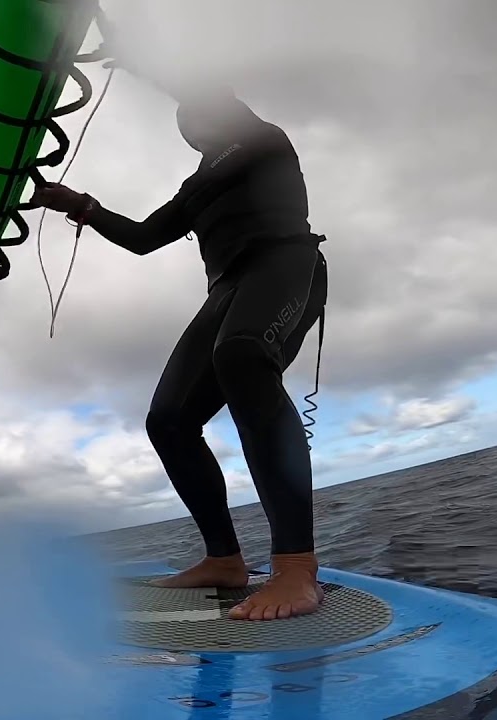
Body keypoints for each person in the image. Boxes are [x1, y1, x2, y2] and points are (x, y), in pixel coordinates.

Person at [30, 54, 328, 621]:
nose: (193, 114)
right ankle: (224, 559)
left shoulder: (262, 139)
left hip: (286, 264)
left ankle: (295, 566)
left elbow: (203, 87)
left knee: (242, 355)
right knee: (167, 420)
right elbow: (144, 237)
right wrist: (79, 205)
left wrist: (141, 58)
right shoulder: (196, 185)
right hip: (227, 290)